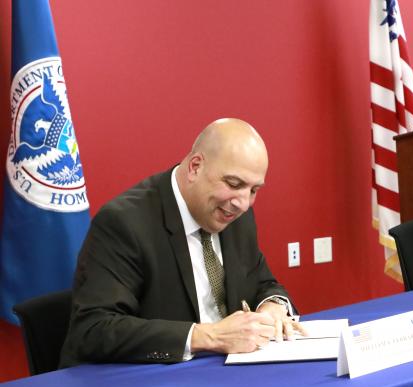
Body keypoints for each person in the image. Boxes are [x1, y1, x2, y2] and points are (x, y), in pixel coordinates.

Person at [60, 118, 303, 368]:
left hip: (223, 377)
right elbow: (94, 329)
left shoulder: (235, 215)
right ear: (195, 167)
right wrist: (208, 336)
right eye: (234, 184)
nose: (243, 203)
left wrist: (272, 306)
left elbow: (263, 282)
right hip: (143, 384)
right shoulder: (125, 223)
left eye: (254, 190)